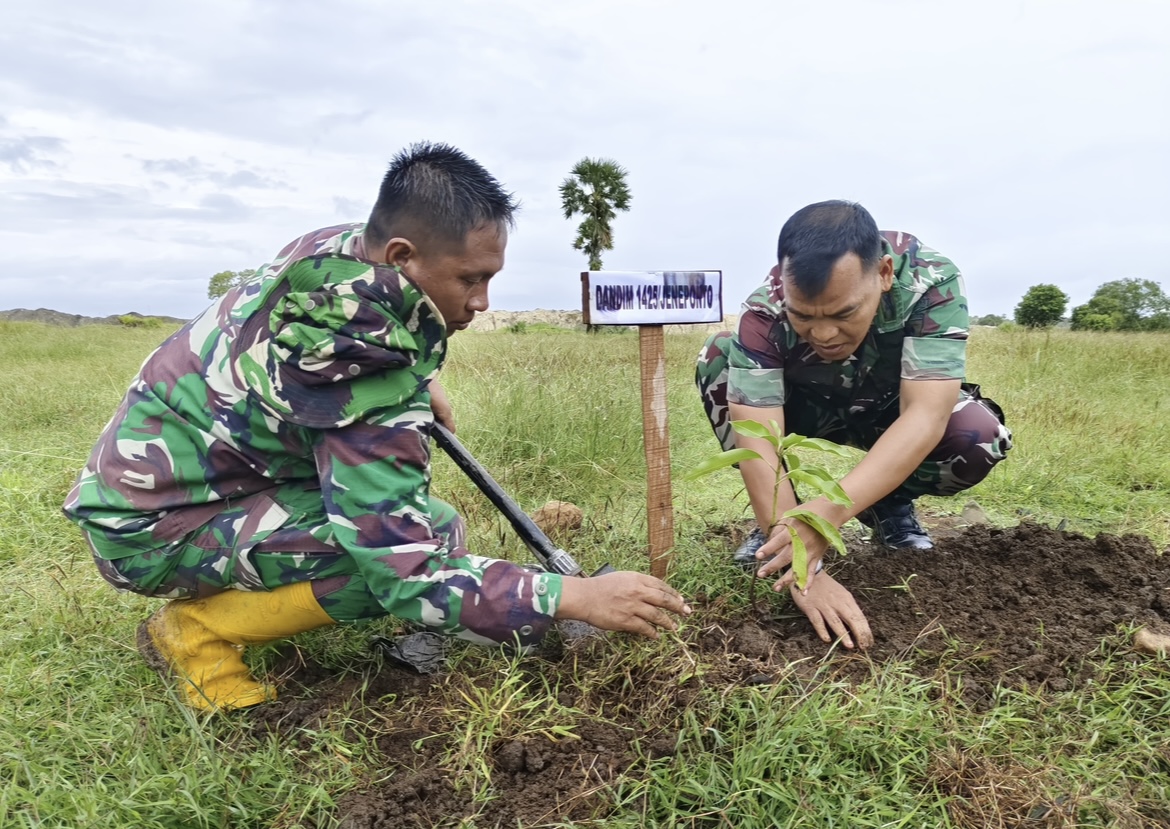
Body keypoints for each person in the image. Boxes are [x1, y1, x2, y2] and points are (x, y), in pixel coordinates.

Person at [63, 142, 691, 712]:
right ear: (402, 257)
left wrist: (419, 375)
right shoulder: (356, 371)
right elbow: (408, 572)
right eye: (470, 279)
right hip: (149, 529)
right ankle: (197, 631)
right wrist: (571, 597)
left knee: (436, 524)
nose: (482, 302)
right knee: (402, 556)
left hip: (197, 484)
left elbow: (370, 331)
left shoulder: (339, 254)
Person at [695, 200, 1011, 651]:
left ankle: (887, 506)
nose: (823, 334)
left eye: (843, 314)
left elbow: (925, 415)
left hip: (890, 411)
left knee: (978, 436)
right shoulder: (763, 313)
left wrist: (828, 516)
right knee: (717, 358)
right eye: (804, 316)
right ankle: (778, 524)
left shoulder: (929, 281)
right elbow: (758, 442)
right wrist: (801, 558)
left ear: (883, 274)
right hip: (806, 410)